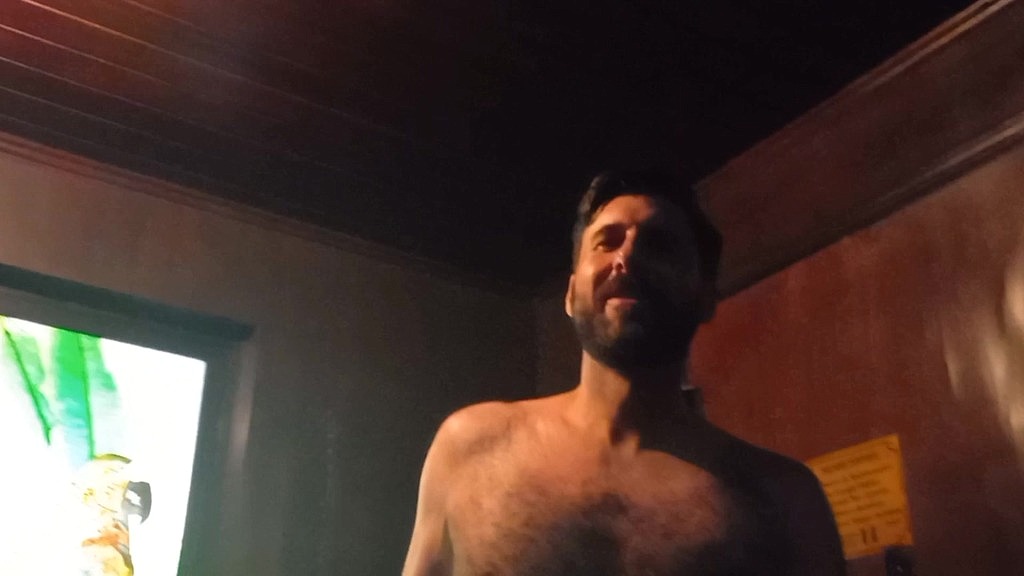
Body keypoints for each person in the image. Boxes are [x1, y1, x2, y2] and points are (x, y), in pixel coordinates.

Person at [402, 170, 845, 575]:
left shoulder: (785, 500)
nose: (627, 257)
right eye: (607, 241)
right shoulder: (472, 447)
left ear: (706, 296)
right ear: (571, 293)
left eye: (660, 244)